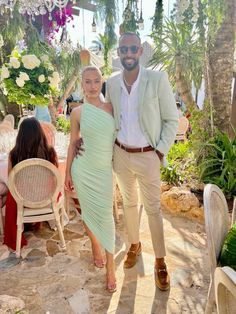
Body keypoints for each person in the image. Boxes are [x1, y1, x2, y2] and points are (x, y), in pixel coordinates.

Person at [105, 32, 179, 291]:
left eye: (132, 49)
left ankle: (160, 261)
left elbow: (172, 119)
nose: (128, 53)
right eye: (123, 49)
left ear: (140, 52)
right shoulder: (112, 84)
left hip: (149, 154)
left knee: (153, 209)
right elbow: (108, 117)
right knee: (128, 203)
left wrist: (159, 152)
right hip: (121, 154)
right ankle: (134, 245)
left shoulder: (157, 79)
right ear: (118, 52)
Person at [65, 66, 116, 293]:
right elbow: (73, 143)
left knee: (106, 216)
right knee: (88, 213)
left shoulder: (111, 108)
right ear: (82, 85)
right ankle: (95, 244)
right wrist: (67, 173)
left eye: (96, 81)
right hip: (83, 170)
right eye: (88, 82)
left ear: (101, 82)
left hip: (104, 171)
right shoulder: (77, 113)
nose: (93, 86)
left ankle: (111, 266)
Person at [3, 117, 58, 251]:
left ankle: (21, 225)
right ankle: (40, 219)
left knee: (10, 193)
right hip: (46, 198)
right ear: (40, 133)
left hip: (23, 199)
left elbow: (11, 180)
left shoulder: (14, 154)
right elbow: (56, 179)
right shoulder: (50, 152)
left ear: (20, 135)